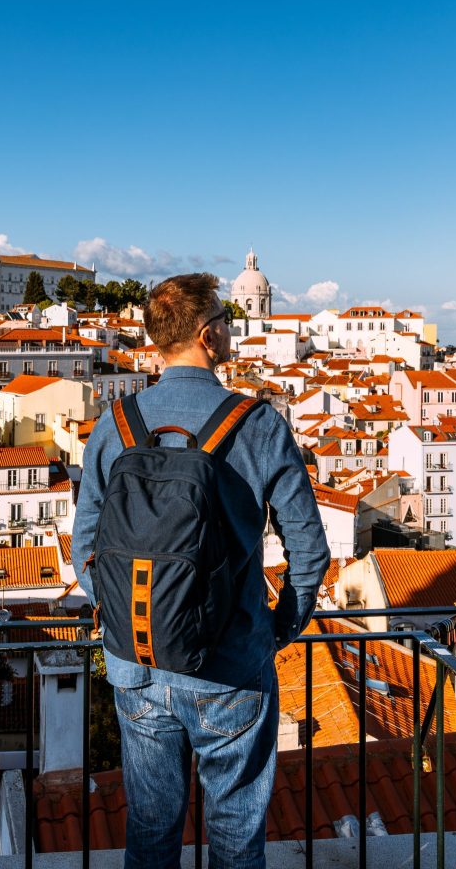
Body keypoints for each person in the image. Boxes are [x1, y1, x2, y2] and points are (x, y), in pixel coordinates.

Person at [72, 272, 331, 869]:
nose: (231, 328)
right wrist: (276, 629)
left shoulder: (117, 422)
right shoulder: (258, 424)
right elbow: (309, 550)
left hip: (138, 662)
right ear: (208, 336)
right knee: (235, 835)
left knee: (151, 829)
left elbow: (85, 545)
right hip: (231, 663)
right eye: (224, 319)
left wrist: (130, 613)